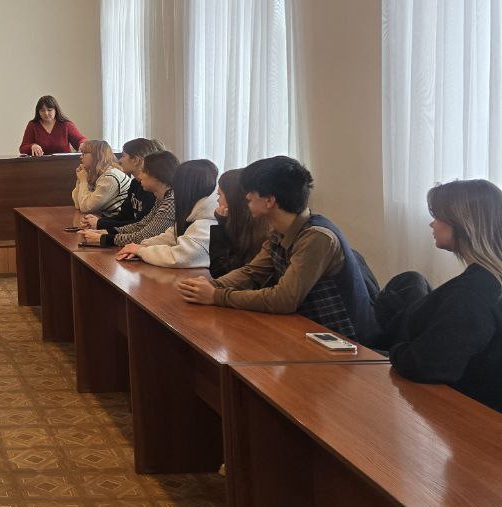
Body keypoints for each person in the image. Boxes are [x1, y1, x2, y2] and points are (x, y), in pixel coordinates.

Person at [175, 156, 380, 344]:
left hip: (344, 340)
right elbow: (252, 272)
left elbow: (284, 299)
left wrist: (216, 296)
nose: (246, 196)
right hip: (309, 330)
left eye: (251, 192)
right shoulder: (280, 230)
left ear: (270, 200)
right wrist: (210, 286)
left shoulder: (317, 237)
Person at [381, 179, 502, 411]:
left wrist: (396, 350)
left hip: (470, 417)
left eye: (437, 217)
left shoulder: (471, 294)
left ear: (462, 223)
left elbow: (428, 365)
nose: (431, 224)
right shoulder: (488, 282)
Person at [118, 159, 219, 267]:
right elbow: (169, 237)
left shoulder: (206, 223)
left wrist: (140, 251)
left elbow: (180, 257)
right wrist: (140, 246)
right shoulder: (194, 213)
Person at [79, 150, 178, 247]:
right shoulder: (162, 198)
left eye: (144, 171)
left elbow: (145, 236)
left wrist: (105, 238)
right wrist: (109, 232)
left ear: (157, 176)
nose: (140, 175)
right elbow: (141, 225)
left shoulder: (171, 201)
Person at [83, 137, 165, 233]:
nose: (119, 160)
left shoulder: (152, 190)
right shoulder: (135, 183)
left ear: (135, 160)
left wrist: (101, 225)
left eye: (123, 156)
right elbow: (124, 217)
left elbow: (140, 225)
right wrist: (99, 222)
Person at [206, 169, 270, 278]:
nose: (217, 200)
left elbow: (220, 272)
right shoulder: (241, 225)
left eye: (219, 195)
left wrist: (221, 226)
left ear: (233, 198)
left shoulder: (264, 235)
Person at [71, 139, 131, 223]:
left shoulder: (110, 177)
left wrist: (83, 180)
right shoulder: (97, 174)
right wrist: (80, 180)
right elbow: (78, 205)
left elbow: (85, 208)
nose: (80, 157)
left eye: (84, 154)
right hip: (108, 220)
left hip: (119, 223)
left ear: (96, 156)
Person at [19, 95, 86, 156]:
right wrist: (32, 146)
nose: (46, 113)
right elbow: (22, 148)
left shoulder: (66, 125)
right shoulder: (33, 125)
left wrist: (82, 144)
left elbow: (80, 140)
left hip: (64, 163)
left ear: (56, 110)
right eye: (42, 110)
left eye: (49, 110)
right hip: (40, 164)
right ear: (38, 112)